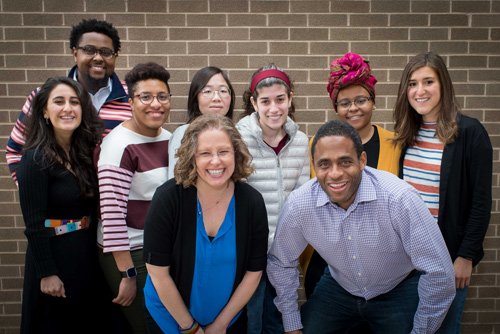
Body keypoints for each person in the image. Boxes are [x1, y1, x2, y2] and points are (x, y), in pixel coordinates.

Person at [267, 120, 456, 334]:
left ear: (362, 160)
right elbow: (280, 262)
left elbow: (440, 272)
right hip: (339, 287)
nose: (335, 173)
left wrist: (421, 331)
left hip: (398, 287)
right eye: (324, 164)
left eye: (345, 162)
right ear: (314, 164)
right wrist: (292, 324)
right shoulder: (300, 205)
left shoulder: (399, 198)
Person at [392, 52, 493, 334]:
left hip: (447, 259)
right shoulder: (405, 135)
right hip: (407, 260)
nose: (419, 91)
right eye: (412, 83)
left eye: (428, 82)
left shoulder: (470, 133)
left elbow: (481, 203)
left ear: (443, 85)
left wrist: (466, 256)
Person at [142, 115, 269, 334]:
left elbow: (253, 273)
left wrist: (219, 326)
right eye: (205, 153)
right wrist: (191, 329)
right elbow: (157, 273)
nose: (216, 161)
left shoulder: (252, 203)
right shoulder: (168, 199)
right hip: (169, 317)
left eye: (223, 151)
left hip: (227, 320)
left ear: (236, 154)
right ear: (192, 157)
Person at [300, 53, 401, 309]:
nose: (353, 108)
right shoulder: (317, 146)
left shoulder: (396, 144)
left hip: (383, 269)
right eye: (345, 103)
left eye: (361, 100)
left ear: (373, 102)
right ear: (336, 108)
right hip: (327, 264)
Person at [17, 77, 107, 333]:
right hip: (55, 260)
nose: (68, 108)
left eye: (74, 102)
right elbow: (33, 224)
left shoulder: (86, 153)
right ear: (45, 111)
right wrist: (47, 272)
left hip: (87, 255)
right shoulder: (34, 159)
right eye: (59, 102)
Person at [6, 18, 132, 184]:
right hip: (66, 206)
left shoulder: (133, 98)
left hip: (118, 203)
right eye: (89, 50)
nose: (98, 58)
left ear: (115, 57)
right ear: (75, 53)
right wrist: (31, 194)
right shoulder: (43, 97)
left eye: (106, 52)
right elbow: (15, 150)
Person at [96, 62, 172, 333]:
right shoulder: (118, 145)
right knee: (149, 326)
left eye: (162, 97)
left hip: (160, 247)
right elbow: (111, 213)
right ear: (130, 102)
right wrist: (127, 274)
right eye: (145, 97)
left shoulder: (170, 138)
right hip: (131, 251)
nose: (156, 104)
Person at [236, 64, 310, 334]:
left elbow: (302, 197)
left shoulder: (300, 141)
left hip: (285, 251)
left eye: (280, 99)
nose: (274, 108)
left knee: (279, 317)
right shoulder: (238, 139)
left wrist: (294, 244)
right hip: (250, 250)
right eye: (265, 101)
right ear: (254, 103)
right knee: (252, 318)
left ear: (290, 98)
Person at [167, 66, 235, 179]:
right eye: (208, 91)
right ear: (195, 97)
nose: (216, 97)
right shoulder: (183, 134)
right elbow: (175, 181)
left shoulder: (236, 133)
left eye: (223, 91)